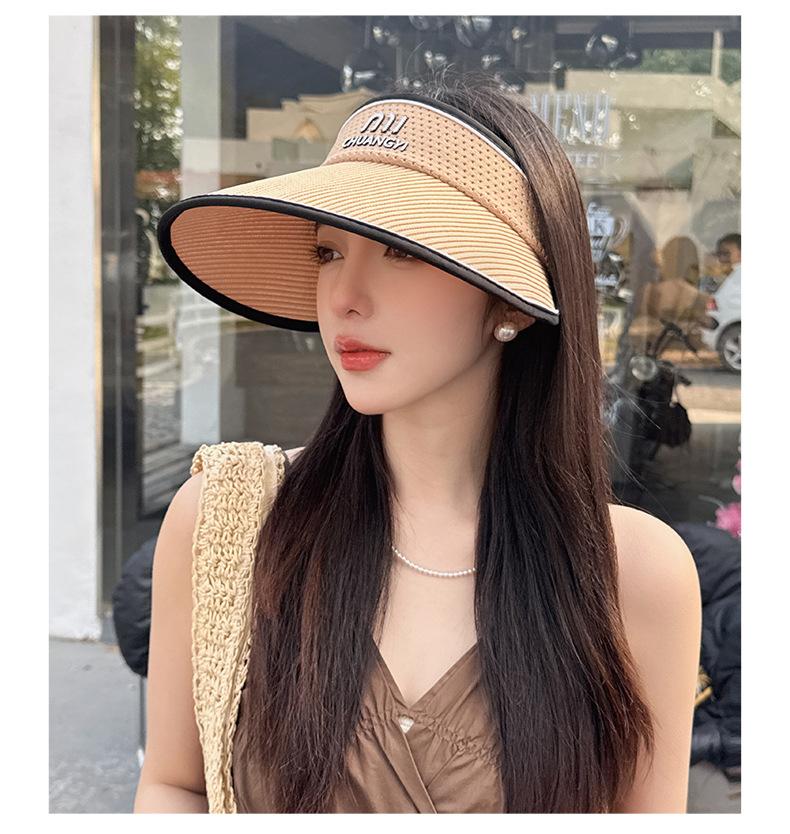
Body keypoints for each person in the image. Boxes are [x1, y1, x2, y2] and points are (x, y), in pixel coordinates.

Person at [134, 72, 701, 813]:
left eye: (399, 250)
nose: (345, 297)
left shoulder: (635, 575)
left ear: (510, 301)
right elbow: (173, 785)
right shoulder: (228, 519)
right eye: (328, 253)